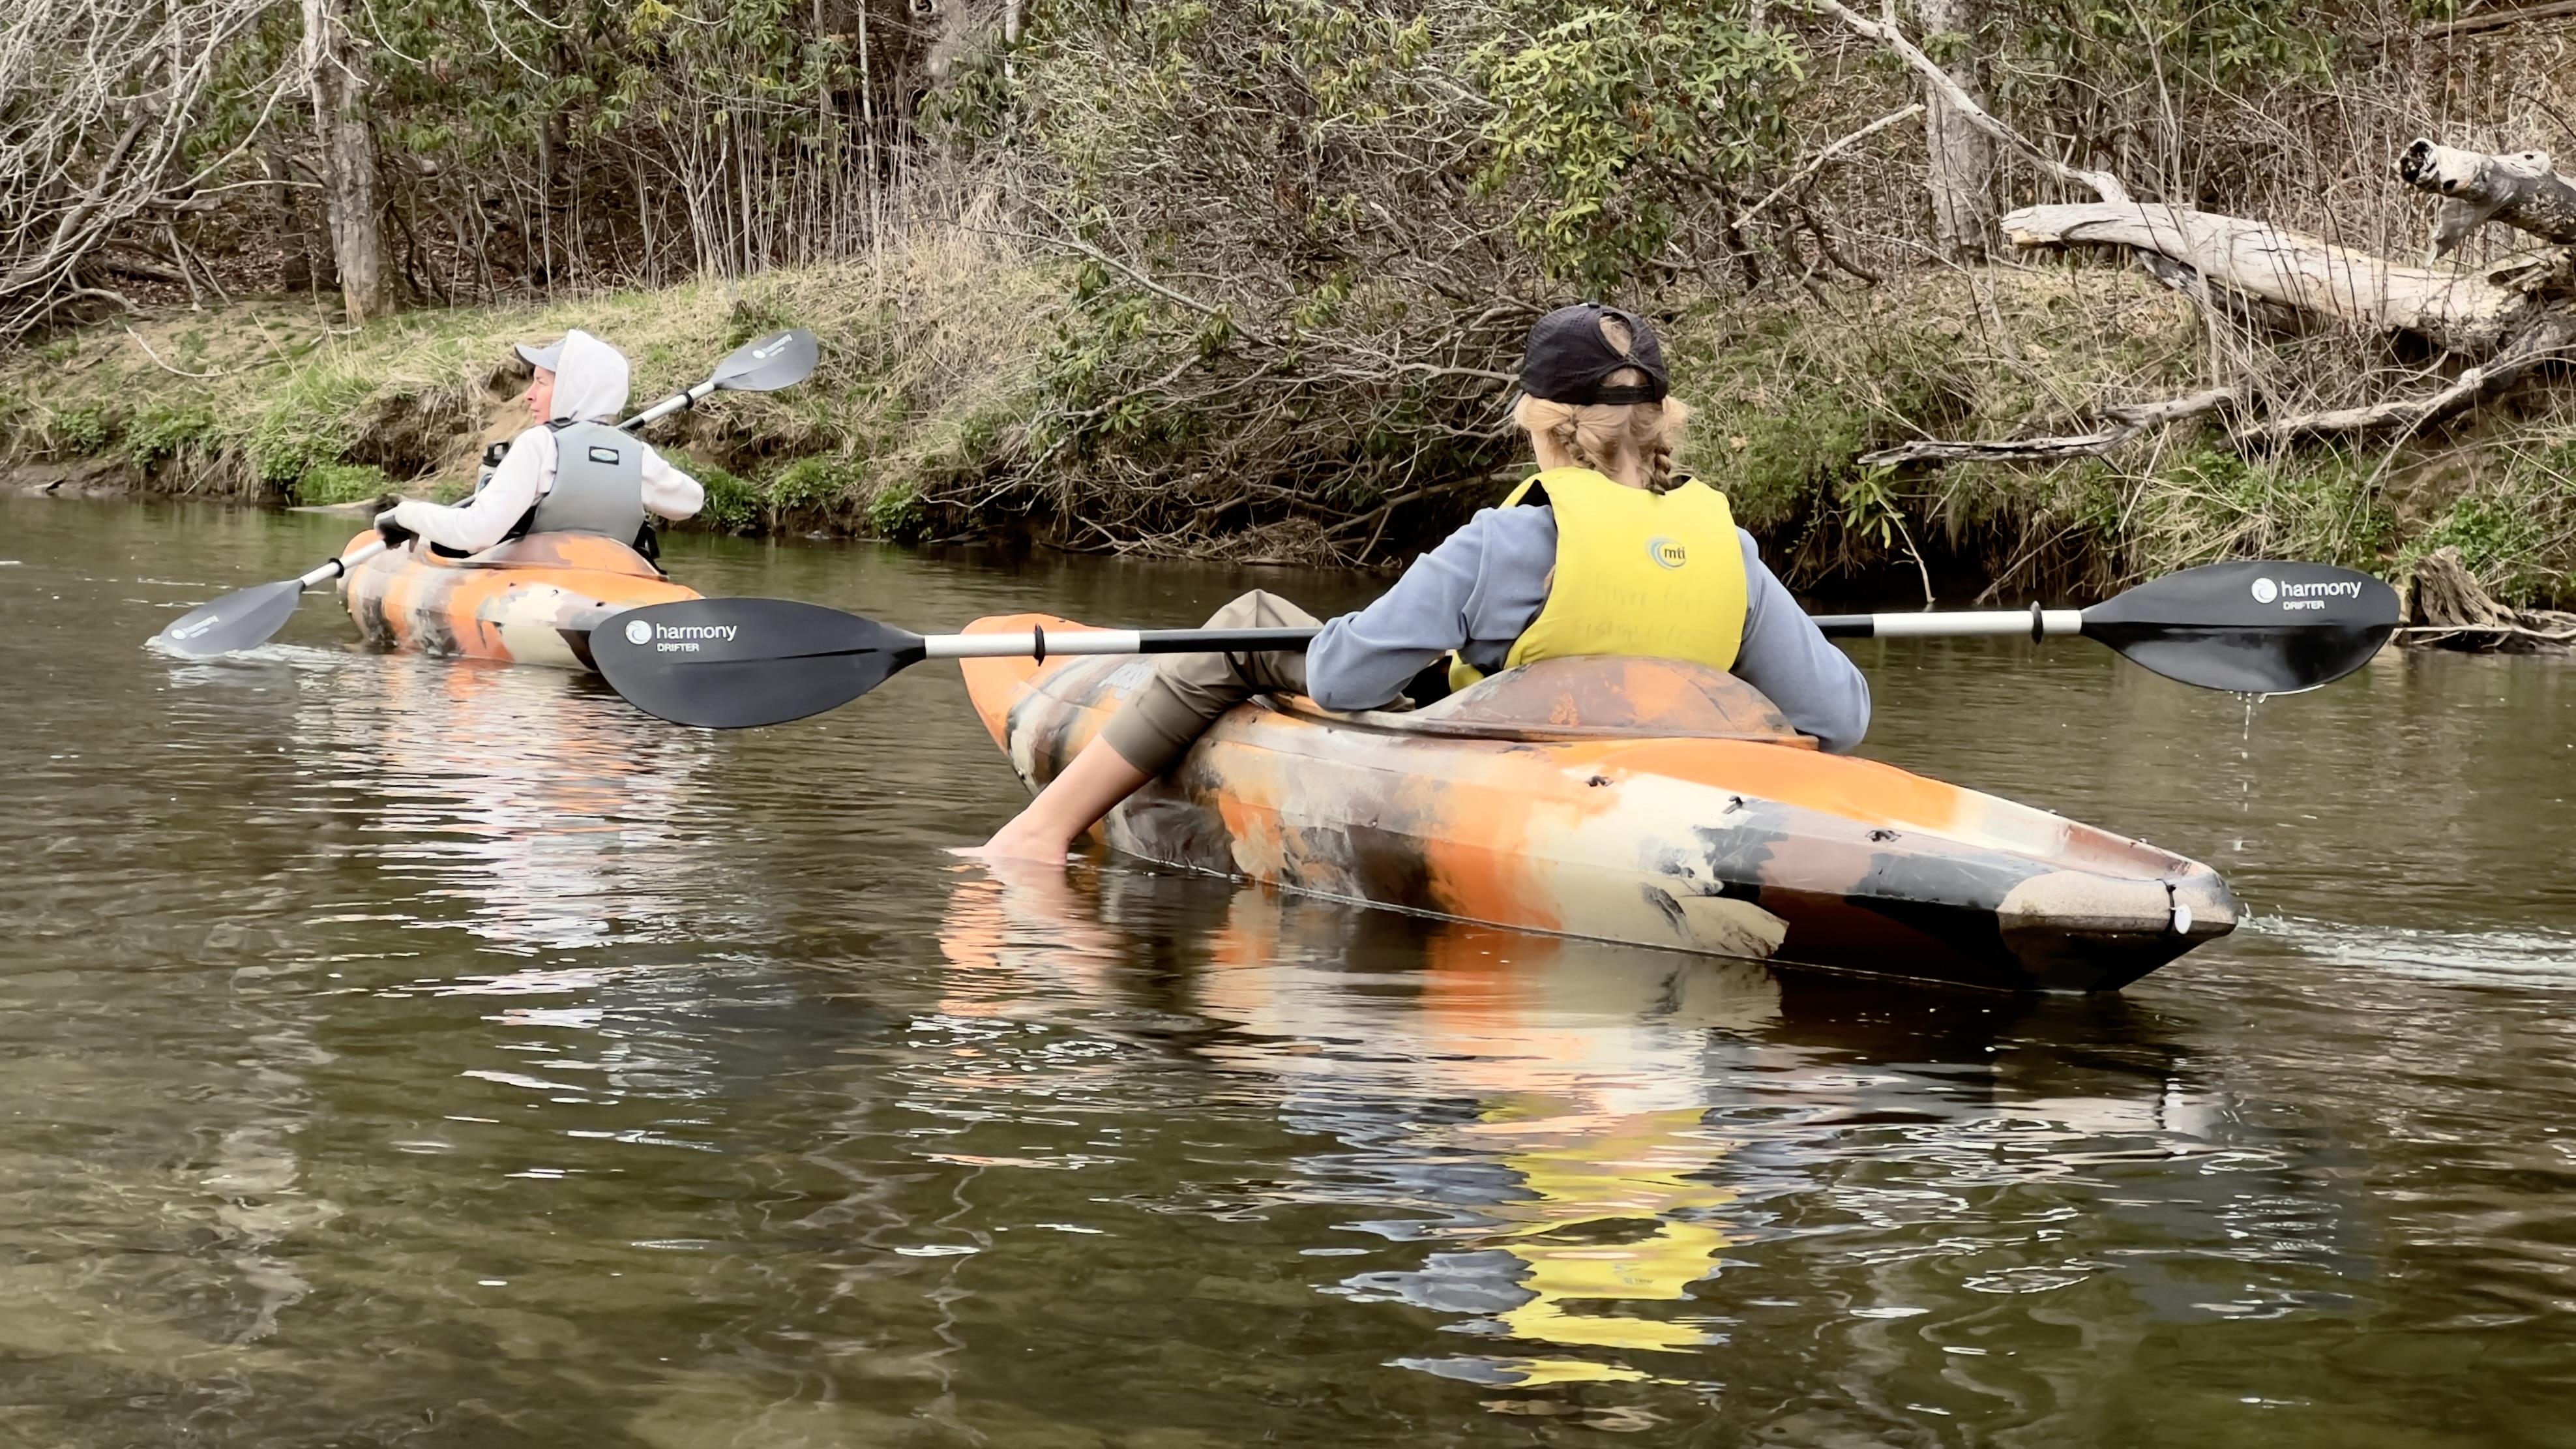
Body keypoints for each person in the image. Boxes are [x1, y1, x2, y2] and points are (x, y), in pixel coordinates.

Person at [973, 302, 1871, 864]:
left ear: (1541, 422)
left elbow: (1342, 680)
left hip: (1521, 780)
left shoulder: (1502, 541)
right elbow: (1838, 717)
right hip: (1671, 779)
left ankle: (1035, 837)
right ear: (1659, 421)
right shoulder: (1730, 550)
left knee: (1251, 618)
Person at [373, 329, 704, 558]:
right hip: (608, 577)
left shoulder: (540, 445)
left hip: (539, 583)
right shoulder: (636, 453)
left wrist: (405, 514)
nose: (530, 395)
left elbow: (476, 534)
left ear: (573, 389)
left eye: (542, 384)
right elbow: (690, 502)